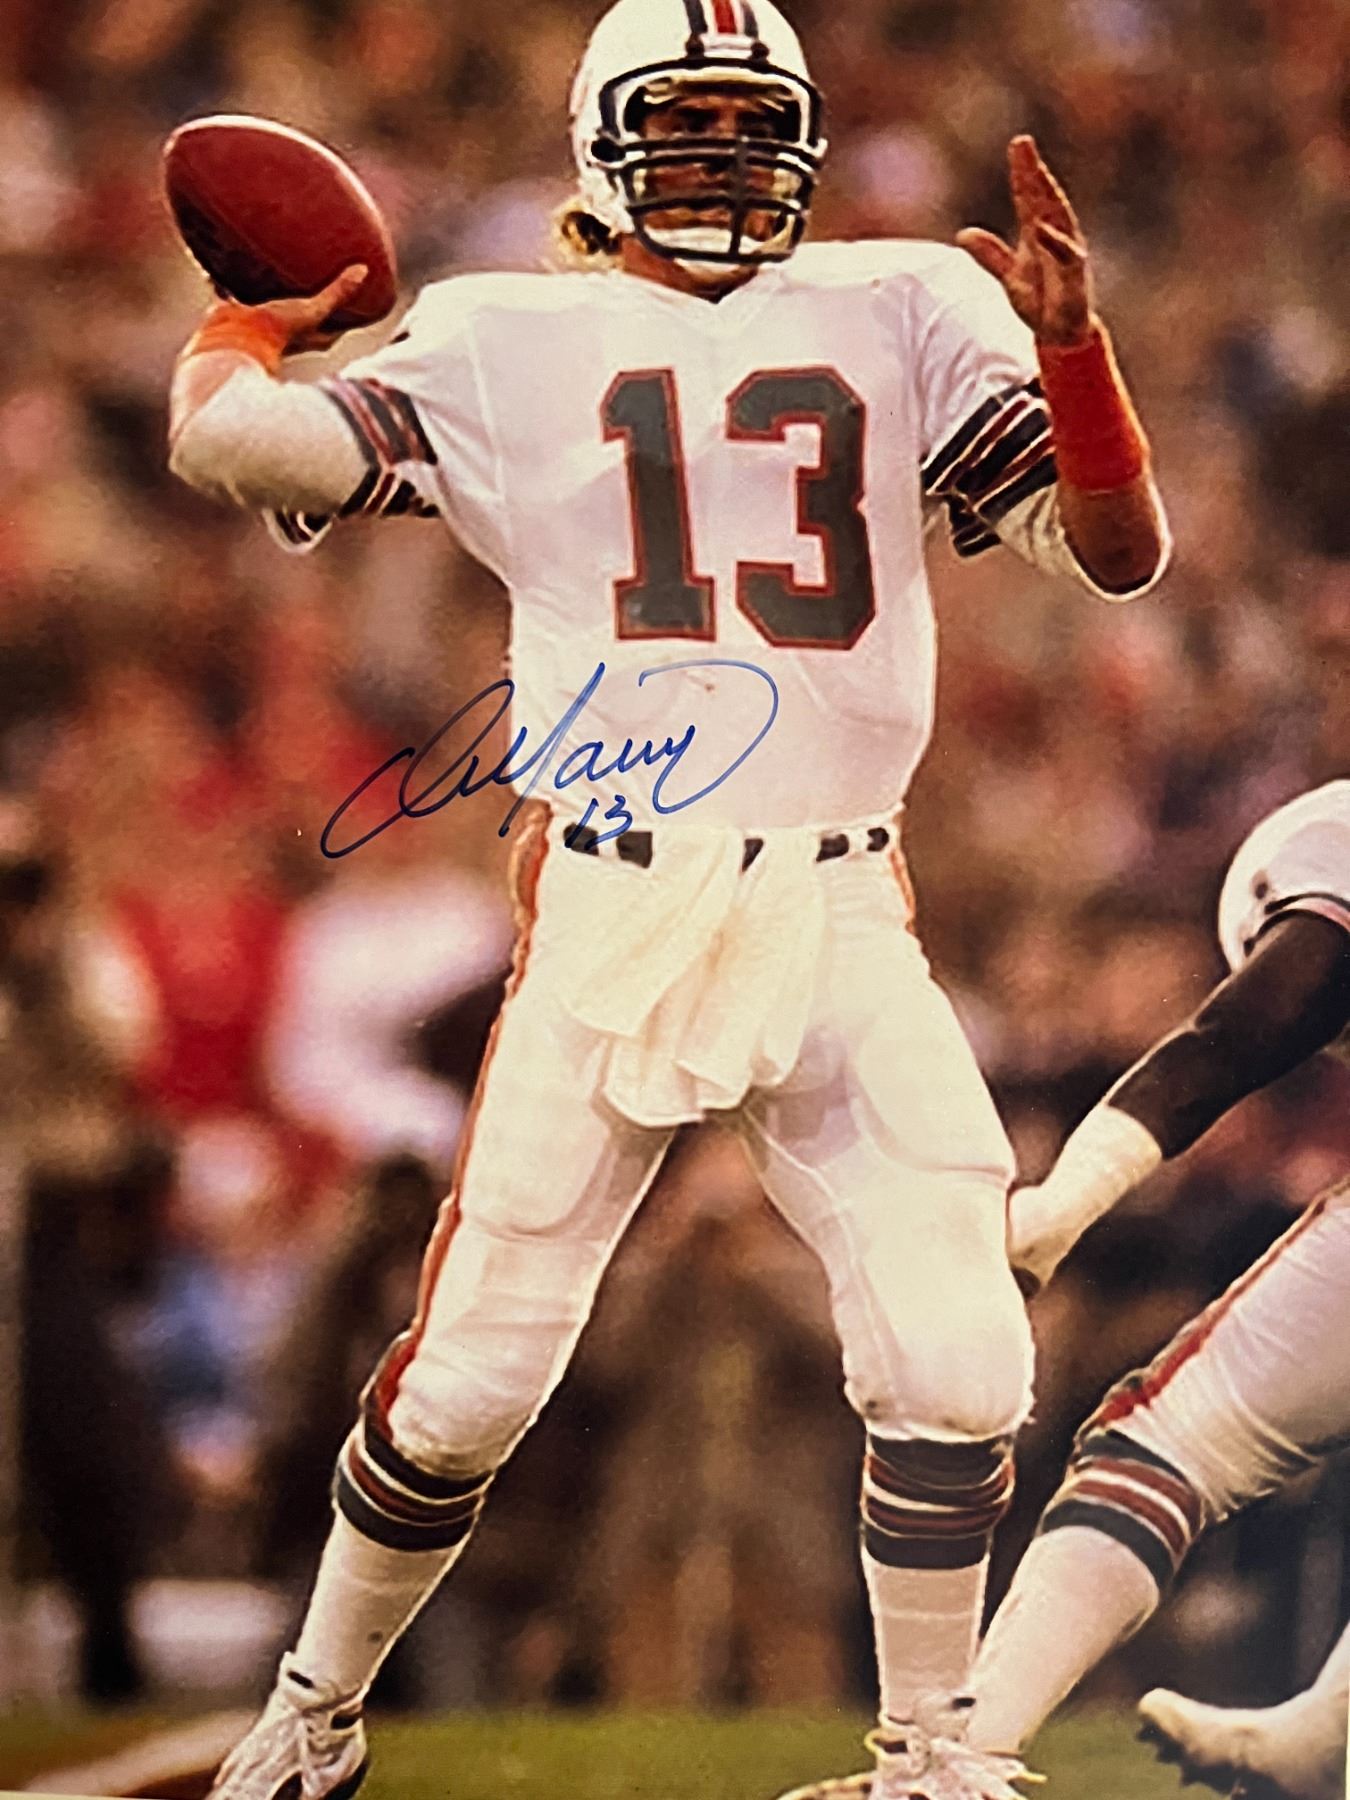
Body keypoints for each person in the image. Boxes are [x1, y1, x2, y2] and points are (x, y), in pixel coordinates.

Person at [166, 2, 1168, 1794]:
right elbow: (238, 450)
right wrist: (248, 323)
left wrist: (1076, 355)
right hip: (621, 903)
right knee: (470, 1388)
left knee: (958, 1362)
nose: (720, 158)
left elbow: (1116, 553)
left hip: (839, 899)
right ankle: (310, 1714)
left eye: (746, 121)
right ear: (600, 140)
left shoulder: (907, 301)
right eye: (683, 124)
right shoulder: (503, 329)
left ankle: (929, 1755)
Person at [966, 780, 1350, 1800]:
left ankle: (961, 1761)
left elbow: (1254, 1022)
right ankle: (1328, 1729)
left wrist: (1064, 1204)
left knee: (1169, 1442)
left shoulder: (1323, 845)